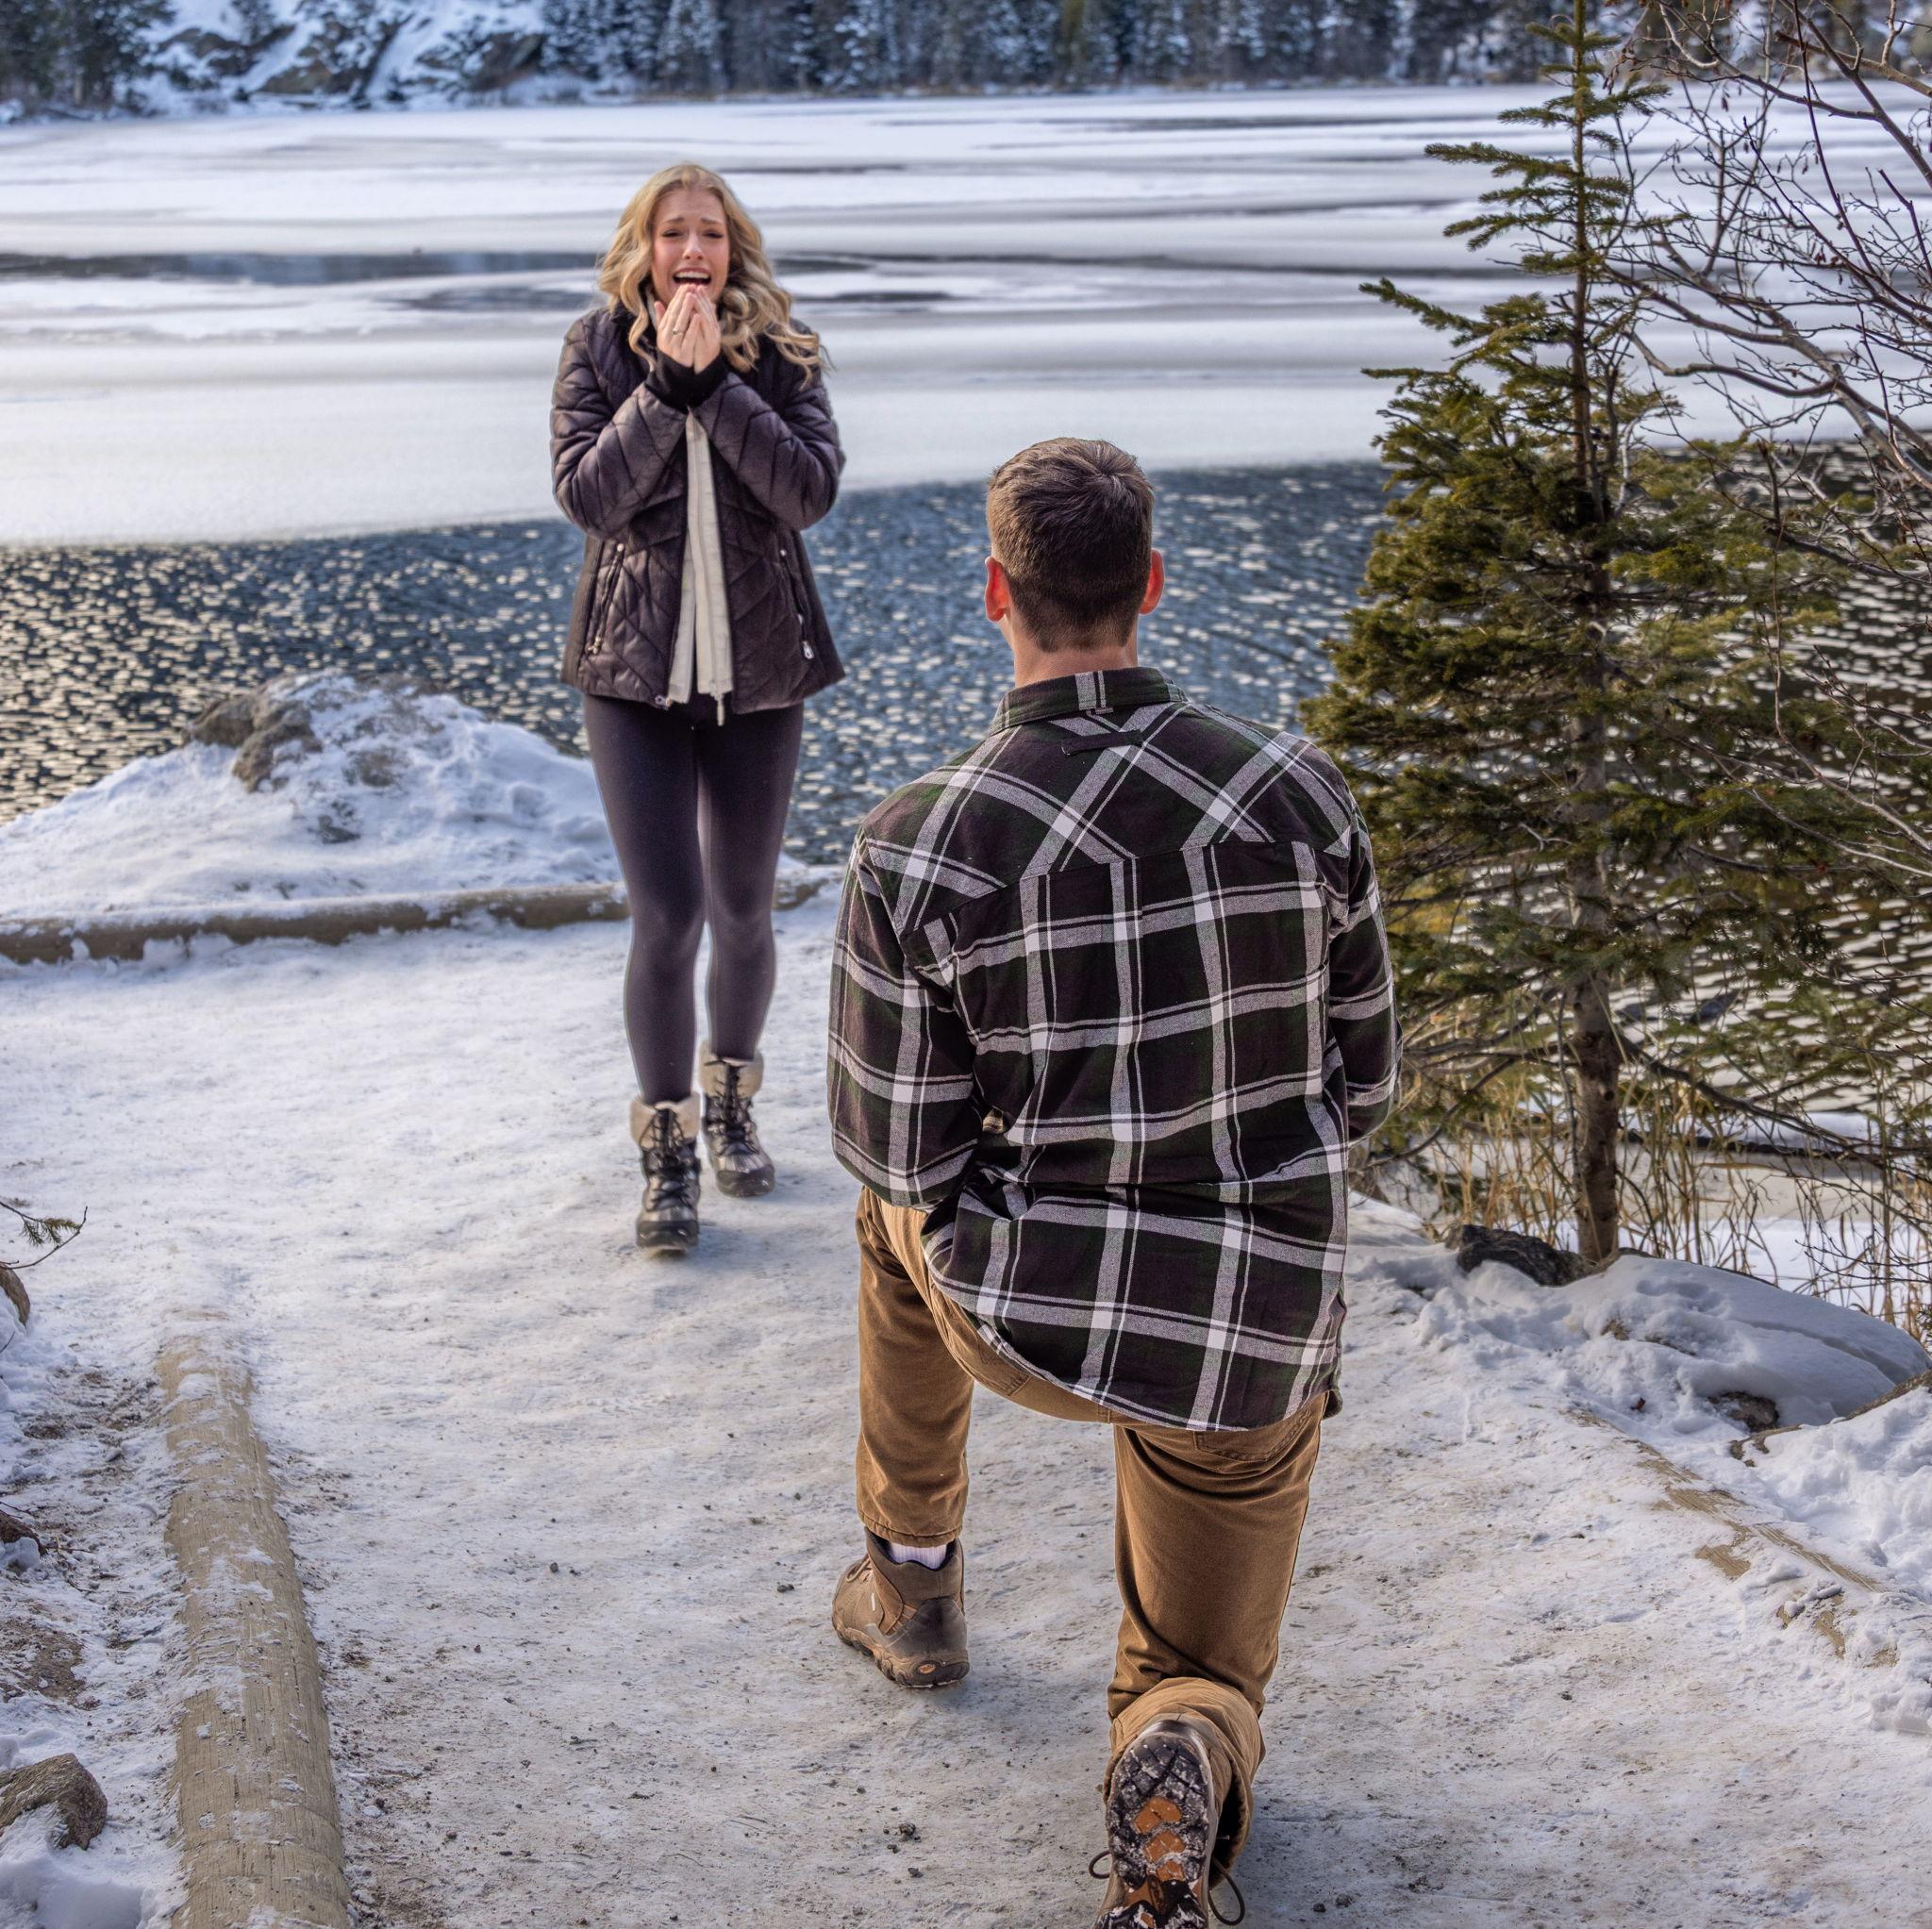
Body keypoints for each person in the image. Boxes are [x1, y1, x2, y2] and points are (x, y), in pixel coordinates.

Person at [824, 439, 1398, 1928]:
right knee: (1197, 1665)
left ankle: (914, 1580)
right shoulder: (1302, 795)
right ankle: (1174, 1769)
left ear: (996, 596)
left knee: (891, 1226)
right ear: (1149, 585)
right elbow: (1367, 1081)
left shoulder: (916, 844)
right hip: (1248, 1330)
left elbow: (900, 1150)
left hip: (1022, 1313)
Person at [551, 162, 844, 1255]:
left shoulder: (783, 349)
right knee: (666, 918)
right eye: (671, 230)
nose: (692, 248)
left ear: (733, 248)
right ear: (642, 246)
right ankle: (666, 1145)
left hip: (761, 672)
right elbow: (587, 495)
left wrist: (716, 382)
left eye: (709, 232)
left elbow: (807, 492)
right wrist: (662, 389)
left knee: (743, 910)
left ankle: (731, 1104)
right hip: (630, 676)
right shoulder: (593, 348)